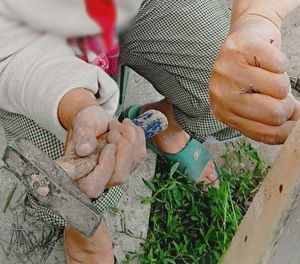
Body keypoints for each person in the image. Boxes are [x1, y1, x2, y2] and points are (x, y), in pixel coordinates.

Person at [1, 0, 300, 263]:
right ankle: (86, 237)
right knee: (74, 181)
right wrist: (76, 105)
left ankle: (166, 128)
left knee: (244, 96)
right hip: (29, 45)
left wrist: (255, 19)